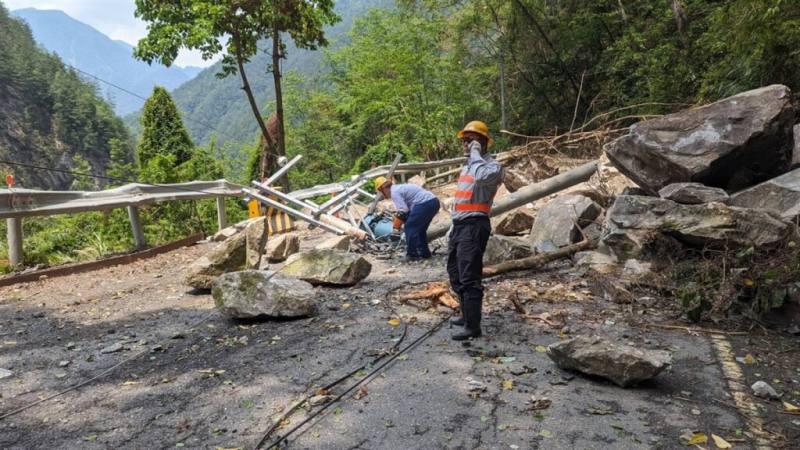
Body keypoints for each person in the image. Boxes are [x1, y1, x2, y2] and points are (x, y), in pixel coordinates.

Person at [447, 120, 503, 341]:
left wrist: (477, 153)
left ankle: (473, 326)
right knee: (455, 272)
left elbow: (482, 178)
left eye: (470, 140)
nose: (466, 145)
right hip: (460, 226)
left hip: (475, 226)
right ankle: (466, 315)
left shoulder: (492, 167)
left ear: (482, 143)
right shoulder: (468, 167)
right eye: (464, 140)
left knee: (470, 277)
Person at [374, 176, 440, 261]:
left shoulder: (394, 192)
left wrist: (396, 227)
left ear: (382, 189)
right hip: (433, 202)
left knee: (409, 227)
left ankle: (412, 255)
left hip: (424, 203)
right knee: (420, 229)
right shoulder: (399, 188)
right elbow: (407, 210)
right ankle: (424, 253)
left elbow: (403, 211)